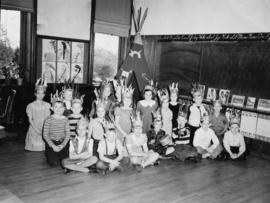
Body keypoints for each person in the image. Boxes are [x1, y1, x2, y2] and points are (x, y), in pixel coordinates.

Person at [25, 78, 51, 151]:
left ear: (44, 94)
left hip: (44, 128)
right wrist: (37, 130)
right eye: (38, 93)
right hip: (34, 128)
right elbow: (30, 120)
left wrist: (44, 130)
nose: (40, 95)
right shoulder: (30, 106)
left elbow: (48, 119)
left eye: (42, 93)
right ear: (35, 94)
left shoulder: (47, 105)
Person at [43, 98, 70, 167]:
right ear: (52, 108)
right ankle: (49, 153)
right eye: (56, 107)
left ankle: (58, 154)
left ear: (64, 109)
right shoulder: (48, 119)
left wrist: (62, 145)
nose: (58, 109)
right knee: (54, 164)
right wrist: (53, 146)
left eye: (60, 107)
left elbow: (68, 135)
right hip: (52, 142)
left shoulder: (65, 119)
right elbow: (45, 135)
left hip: (62, 142)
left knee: (65, 162)